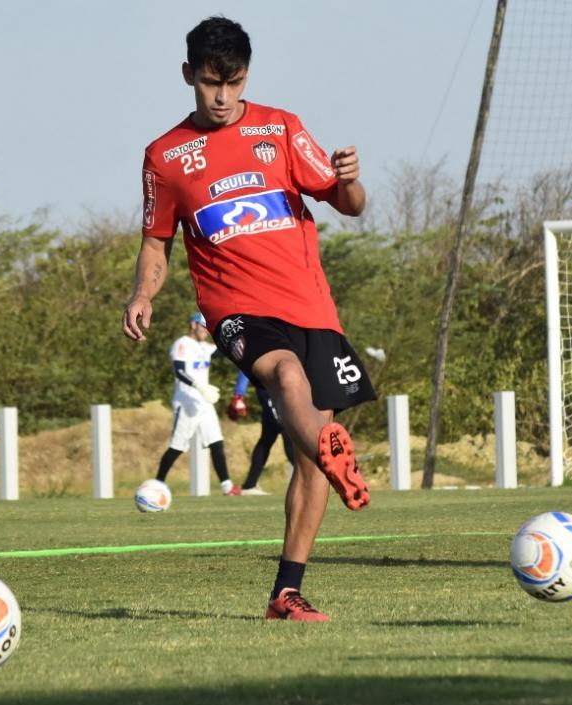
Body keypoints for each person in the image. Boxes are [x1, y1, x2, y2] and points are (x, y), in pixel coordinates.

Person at [122, 16, 376, 621]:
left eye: (234, 83)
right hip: (236, 309)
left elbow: (349, 205)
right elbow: (156, 243)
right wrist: (142, 294)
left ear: (246, 76)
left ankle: (286, 592)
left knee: (307, 461)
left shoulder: (280, 128)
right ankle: (332, 447)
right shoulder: (165, 157)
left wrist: (350, 181)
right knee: (285, 375)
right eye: (211, 83)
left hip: (312, 307)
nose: (222, 96)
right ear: (189, 75)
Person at [154, 312, 240, 496]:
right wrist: (199, 386)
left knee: (216, 442)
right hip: (186, 403)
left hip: (204, 403)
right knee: (177, 447)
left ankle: (227, 486)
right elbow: (179, 371)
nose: (206, 331)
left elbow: (225, 351)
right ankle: (157, 484)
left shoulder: (204, 347)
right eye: (203, 326)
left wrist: (239, 336)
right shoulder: (182, 344)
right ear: (193, 325)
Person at [226, 371, 295, 495]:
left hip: (278, 390)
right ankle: (310, 478)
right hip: (270, 391)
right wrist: (239, 394)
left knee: (267, 439)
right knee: (288, 433)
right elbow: (245, 367)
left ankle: (250, 484)